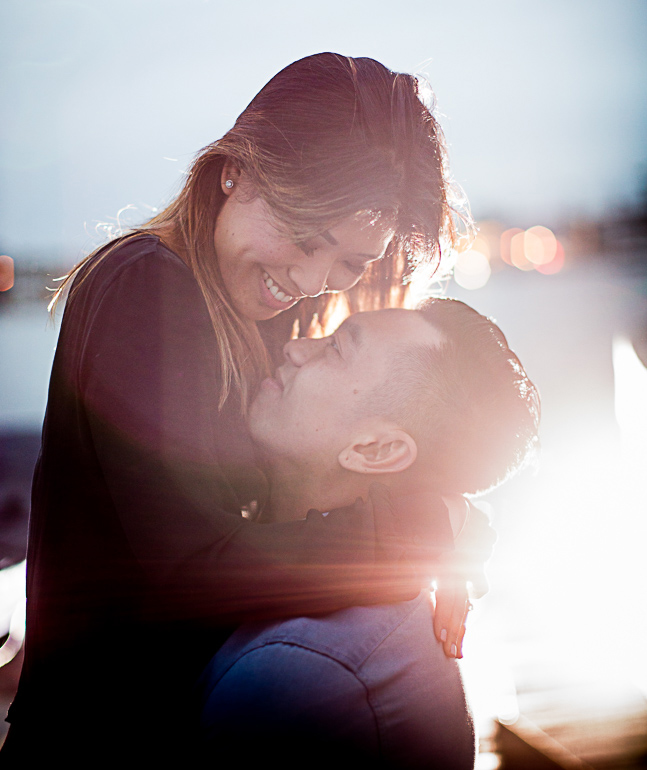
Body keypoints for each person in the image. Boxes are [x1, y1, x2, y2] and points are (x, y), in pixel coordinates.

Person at [3, 54, 488, 765]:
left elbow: (282, 505)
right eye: (306, 236)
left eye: (350, 262)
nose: (314, 282)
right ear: (236, 170)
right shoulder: (146, 286)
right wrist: (412, 532)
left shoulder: (256, 311)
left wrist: (445, 513)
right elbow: (194, 569)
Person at [199, 300, 540, 768]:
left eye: (335, 349)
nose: (297, 347)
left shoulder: (296, 676)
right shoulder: (367, 609)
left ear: (375, 449)